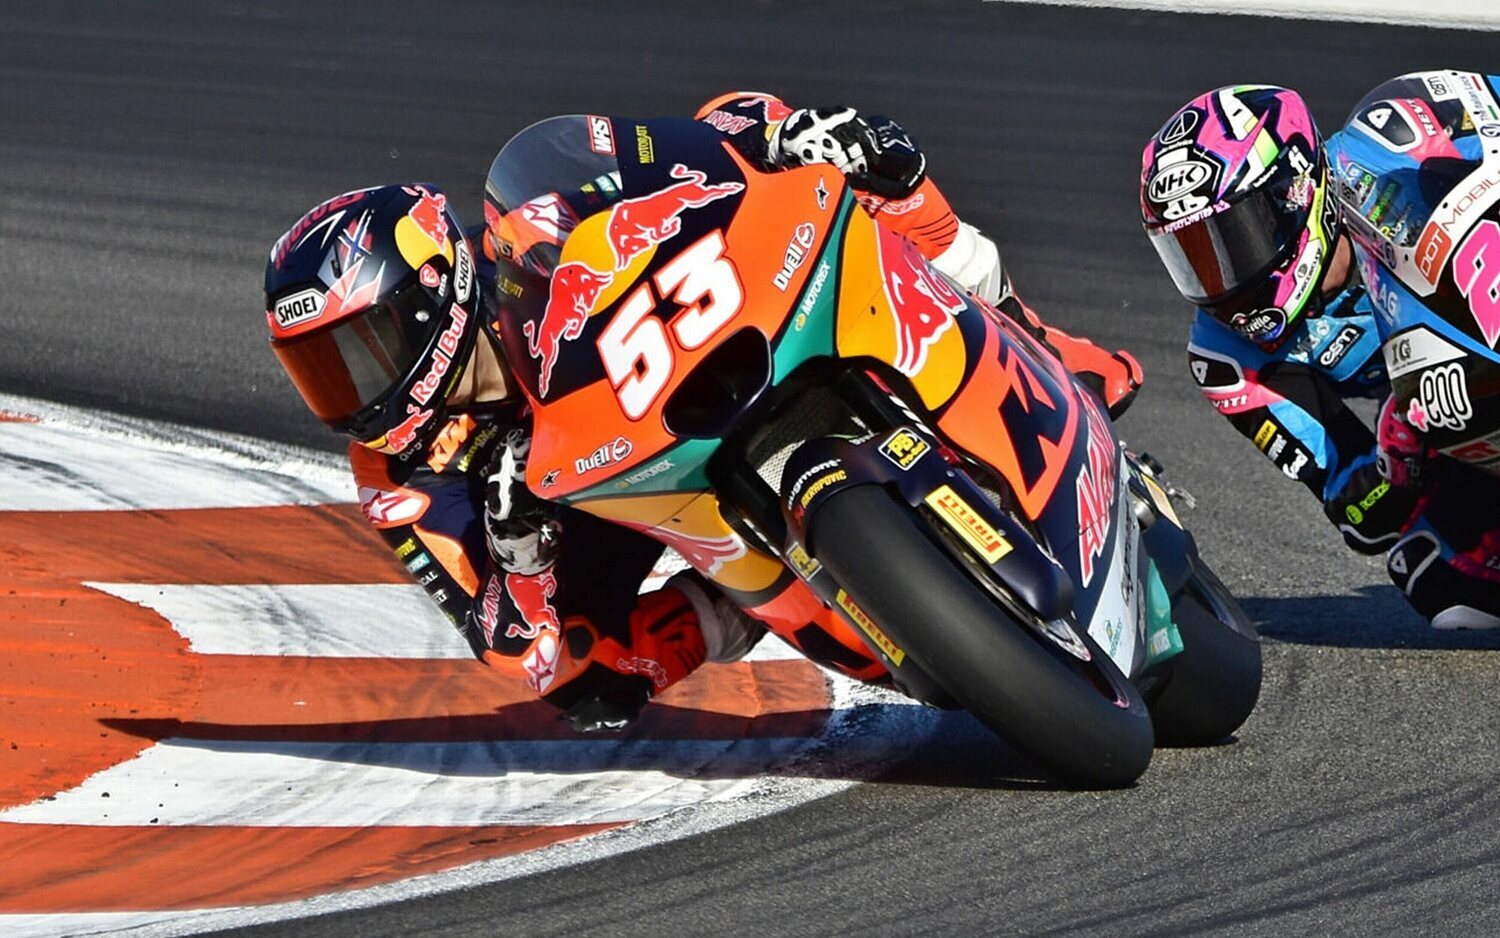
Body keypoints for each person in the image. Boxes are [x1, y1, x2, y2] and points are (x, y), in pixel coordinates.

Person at [263, 94, 1145, 731]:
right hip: (599, 498)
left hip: (680, 357)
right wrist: (521, 549)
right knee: (588, 677)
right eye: (319, 374)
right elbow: (517, 648)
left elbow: (678, 149)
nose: (350, 396)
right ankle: (751, 603)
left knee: (766, 116)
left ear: (428, 295)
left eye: (355, 354)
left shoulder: (531, 225)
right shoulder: (398, 478)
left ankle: (1039, 342)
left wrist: (784, 138)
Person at [1138, 75, 1500, 629]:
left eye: (1236, 237)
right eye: (1193, 256)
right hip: (1456, 420)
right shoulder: (1227, 361)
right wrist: (1394, 465)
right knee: (1431, 568)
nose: (1222, 279)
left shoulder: (1397, 131)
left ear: (1294, 192)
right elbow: (1356, 516)